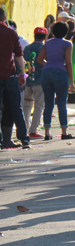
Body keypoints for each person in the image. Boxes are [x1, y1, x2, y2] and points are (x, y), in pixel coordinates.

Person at [35, 21, 75, 141]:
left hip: (46, 72)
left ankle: (47, 132)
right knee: (62, 102)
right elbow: (68, 62)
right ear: (66, 32)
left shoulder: (48, 43)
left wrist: (48, 65)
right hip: (60, 72)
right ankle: (64, 131)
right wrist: (72, 80)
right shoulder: (67, 44)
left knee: (48, 103)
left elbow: (40, 59)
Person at [0, 8, 29, 149]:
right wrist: (22, 74)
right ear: (5, 17)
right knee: (16, 107)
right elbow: (18, 55)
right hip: (10, 76)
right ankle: (24, 139)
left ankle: (4, 139)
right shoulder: (12, 33)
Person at [23, 27, 47, 139]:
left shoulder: (27, 48)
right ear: (45, 37)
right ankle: (33, 131)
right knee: (39, 105)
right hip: (40, 80)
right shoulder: (44, 48)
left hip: (27, 80)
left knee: (26, 106)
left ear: (34, 35)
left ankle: (24, 129)